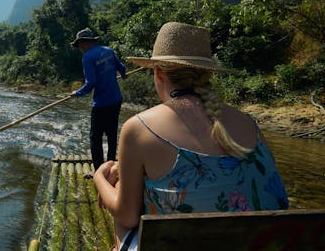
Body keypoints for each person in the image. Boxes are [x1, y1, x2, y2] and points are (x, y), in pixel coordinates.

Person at [93, 22, 289, 251]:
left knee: (123, 213)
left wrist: (100, 176)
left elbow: (127, 217)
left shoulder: (139, 128)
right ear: (207, 73)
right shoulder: (248, 122)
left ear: (158, 73)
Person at [70, 27, 127, 174]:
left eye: (79, 45)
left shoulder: (88, 57)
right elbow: (121, 67)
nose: (79, 48)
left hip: (102, 103)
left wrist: (78, 93)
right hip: (116, 99)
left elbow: (91, 83)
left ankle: (98, 171)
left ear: (83, 43)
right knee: (112, 134)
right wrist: (124, 74)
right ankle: (111, 166)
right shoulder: (108, 50)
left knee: (95, 138)